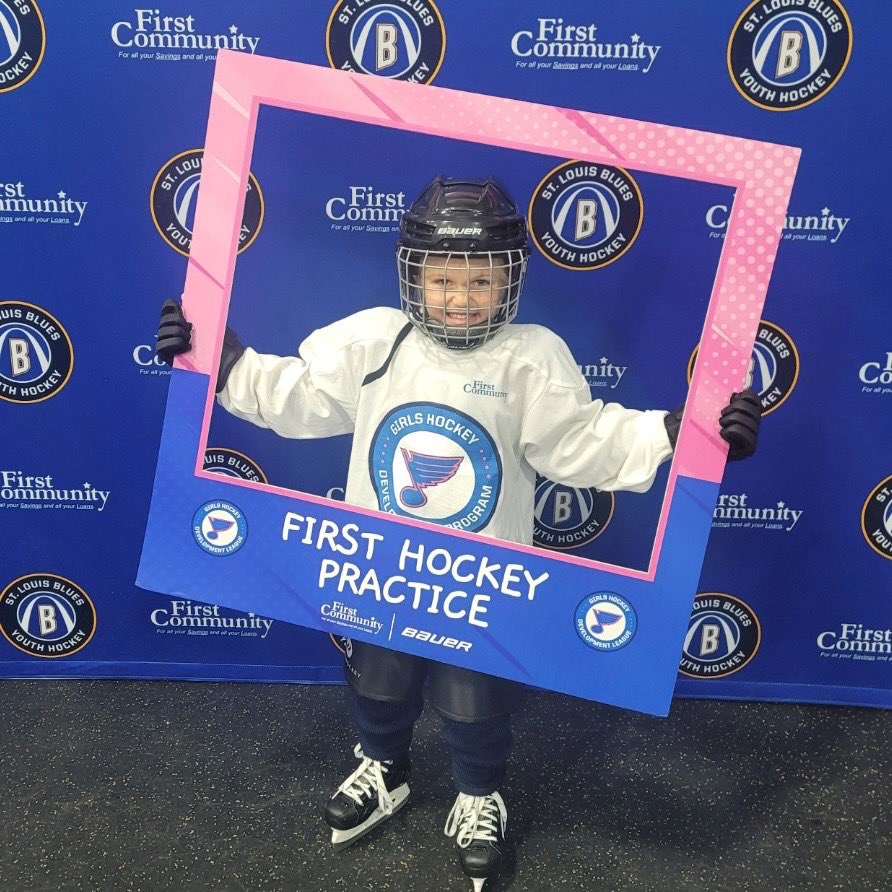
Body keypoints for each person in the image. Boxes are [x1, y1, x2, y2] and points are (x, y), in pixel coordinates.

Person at [156, 176, 761, 891]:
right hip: (380, 569)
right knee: (377, 683)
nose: (459, 297)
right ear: (412, 274)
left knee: (475, 699)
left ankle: (480, 793)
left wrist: (680, 434)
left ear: (511, 281)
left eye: (481, 280)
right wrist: (223, 366)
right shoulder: (377, 341)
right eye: (442, 278)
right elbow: (301, 396)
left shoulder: (530, 357)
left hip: (482, 581)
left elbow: (580, 441)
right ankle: (384, 765)